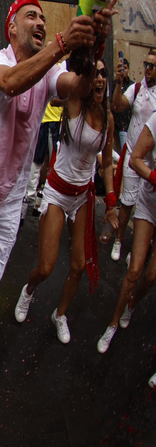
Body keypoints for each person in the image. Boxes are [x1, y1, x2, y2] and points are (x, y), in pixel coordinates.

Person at [0, 0, 116, 345]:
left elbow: (80, 87)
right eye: (32, 17)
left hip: (12, 194)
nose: (41, 23)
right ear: (11, 28)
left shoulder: (51, 70)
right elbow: (12, 83)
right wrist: (62, 44)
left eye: (44, 19)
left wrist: (95, 47)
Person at [14, 59, 115, 343]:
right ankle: (28, 291)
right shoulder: (73, 103)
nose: (99, 79)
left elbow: (106, 164)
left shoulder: (108, 117)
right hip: (58, 193)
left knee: (79, 265)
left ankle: (60, 314)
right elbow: (79, 70)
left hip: (83, 197)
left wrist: (111, 201)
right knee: (46, 268)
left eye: (103, 74)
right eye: (94, 74)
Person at [97, 108, 156, 354]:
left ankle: (131, 305)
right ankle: (111, 324)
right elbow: (135, 160)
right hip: (150, 204)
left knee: (151, 277)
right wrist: (154, 176)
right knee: (134, 271)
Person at [109, 49, 156, 261]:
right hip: (131, 158)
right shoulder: (136, 88)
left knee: (145, 208)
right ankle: (119, 239)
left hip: (150, 163)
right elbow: (117, 106)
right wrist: (119, 83)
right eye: (146, 65)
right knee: (127, 203)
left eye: (151, 66)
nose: (147, 69)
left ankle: (138, 249)